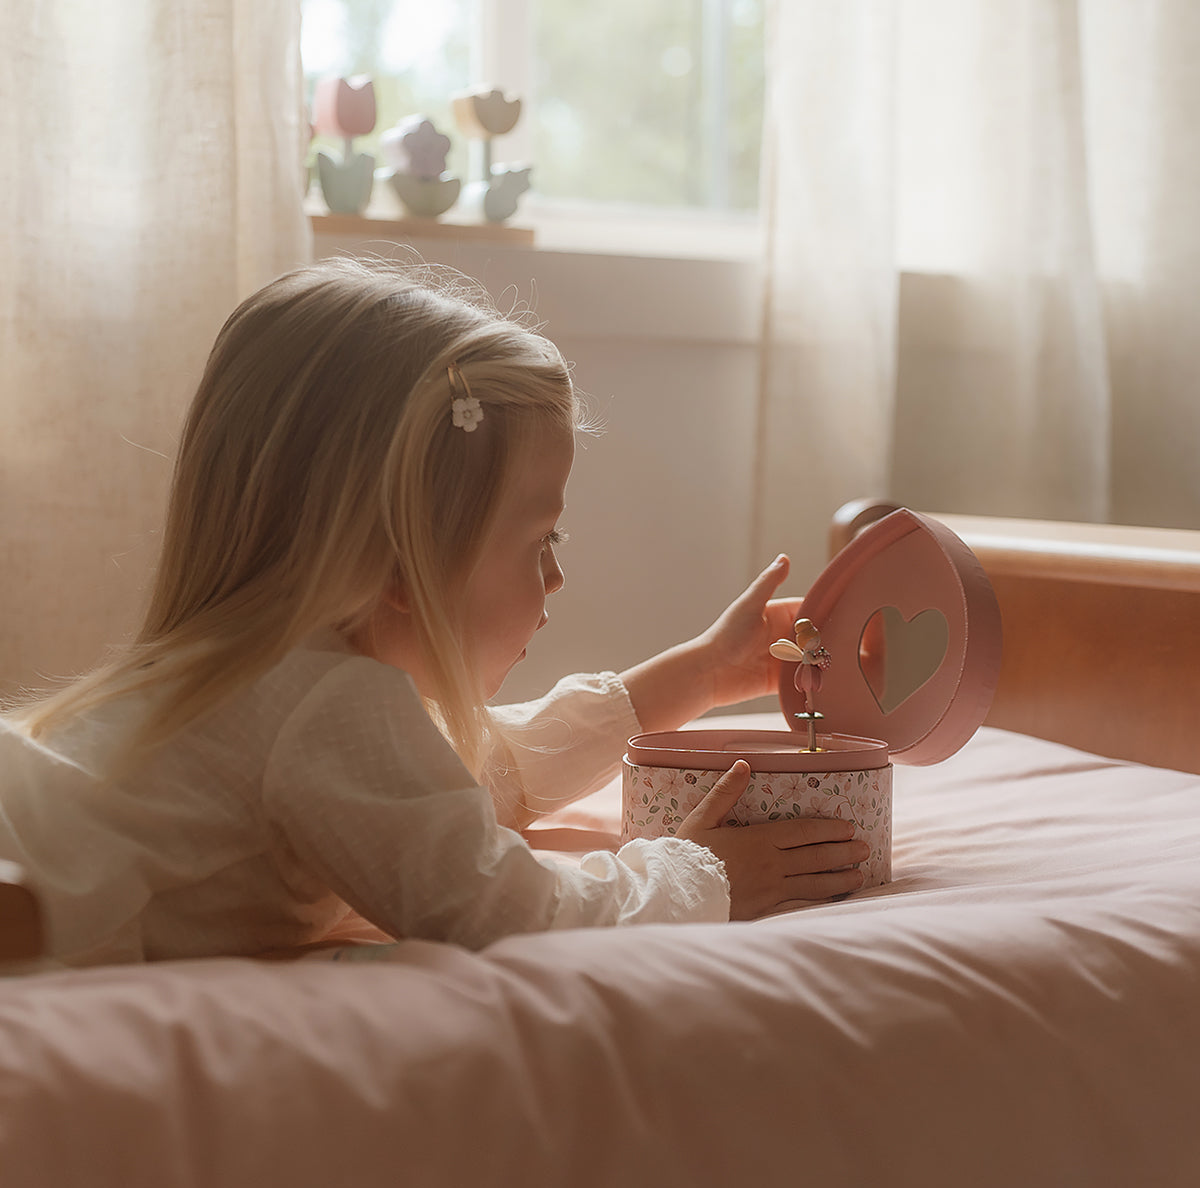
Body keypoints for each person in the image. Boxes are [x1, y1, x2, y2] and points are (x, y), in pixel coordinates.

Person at [0, 258, 867, 967]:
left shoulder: (274, 690)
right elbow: (508, 911)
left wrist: (700, 676)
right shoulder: (325, 707)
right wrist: (695, 874)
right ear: (403, 565)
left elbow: (460, 778)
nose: (557, 579)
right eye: (539, 543)